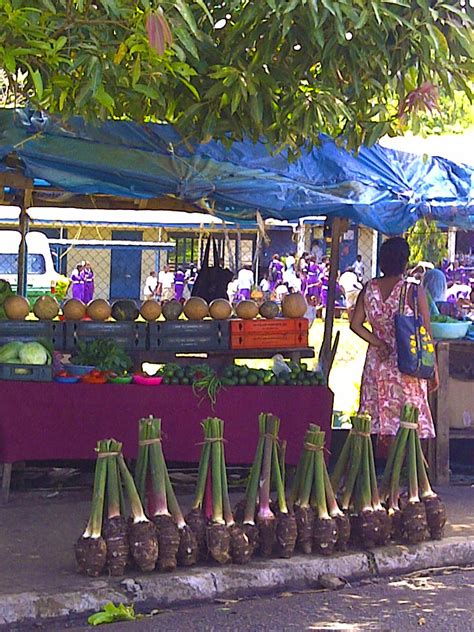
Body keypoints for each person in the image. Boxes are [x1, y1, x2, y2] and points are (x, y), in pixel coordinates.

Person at [350, 237, 438, 441]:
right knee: (408, 424)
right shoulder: (413, 291)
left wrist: (379, 342)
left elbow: (355, 325)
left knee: (374, 419)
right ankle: (408, 467)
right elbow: (425, 332)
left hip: (376, 362)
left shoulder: (369, 289)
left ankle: (373, 467)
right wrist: (433, 368)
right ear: (405, 262)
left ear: (381, 262)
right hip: (407, 363)